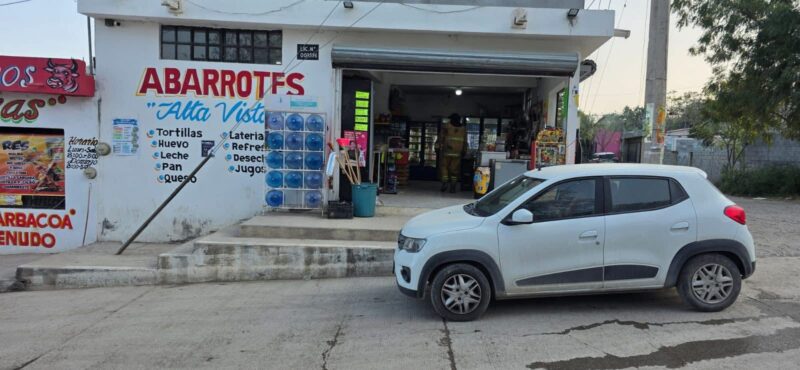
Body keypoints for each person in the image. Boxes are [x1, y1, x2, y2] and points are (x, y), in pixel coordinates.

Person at [437, 113, 466, 193]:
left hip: (447, 151)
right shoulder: (463, 128)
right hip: (457, 153)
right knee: (455, 170)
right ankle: (453, 187)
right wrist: (464, 151)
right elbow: (465, 141)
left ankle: (444, 182)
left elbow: (440, 138)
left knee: (444, 167)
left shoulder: (447, 126)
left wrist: (437, 147)